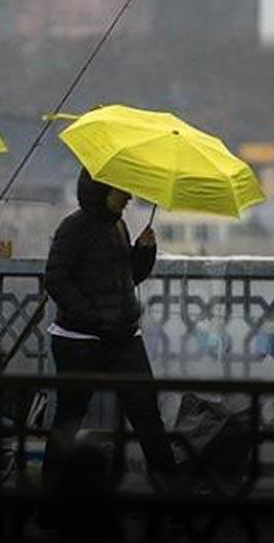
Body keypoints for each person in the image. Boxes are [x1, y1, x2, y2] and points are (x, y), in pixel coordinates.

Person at [41, 169, 179, 512]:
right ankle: (50, 503)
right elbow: (56, 279)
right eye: (123, 188)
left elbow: (127, 277)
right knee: (69, 419)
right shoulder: (74, 227)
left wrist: (144, 252)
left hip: (123, 337)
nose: (130, 195)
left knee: (147, 416)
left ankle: (173, 497)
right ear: (103, 188)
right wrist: (93, 317)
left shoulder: (118, 224)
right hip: (80, 339)